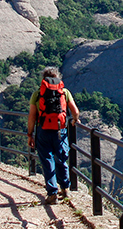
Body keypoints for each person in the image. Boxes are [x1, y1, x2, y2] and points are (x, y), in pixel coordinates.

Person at [27, 66, 80, 205]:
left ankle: (52, 193)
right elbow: (75, 111)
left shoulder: (37, 94)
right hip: (60, 130)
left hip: (43, 130)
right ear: (58, 78)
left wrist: (29, 134)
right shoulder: (64, 92)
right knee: (61, 158)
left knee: (47, 160)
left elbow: (32, 117)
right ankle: (65, 188)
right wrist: (74, 120)